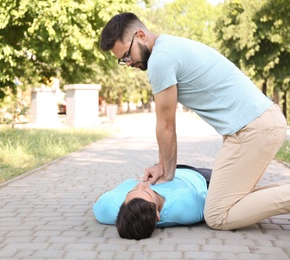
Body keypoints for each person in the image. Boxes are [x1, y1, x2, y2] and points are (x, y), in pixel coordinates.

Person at [99, 12, 289, 231]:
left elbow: (166, 125)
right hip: (257, 125)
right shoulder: (170, 47)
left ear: (141, 35)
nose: (128, 62)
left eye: (126, 55)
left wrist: (168, 174)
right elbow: (165, 124)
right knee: (231, 198)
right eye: (123, 60)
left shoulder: (161, 60)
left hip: (253, 129)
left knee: (217, 215)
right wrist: (162, 164)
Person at [93, 165, 211, 240]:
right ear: (157, 215)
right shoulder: (187, 205)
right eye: (147, 192)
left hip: (159, 169)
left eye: (132, 190)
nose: (141, 184)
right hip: (196, 176)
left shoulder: (106, 209)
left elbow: (100, 199)